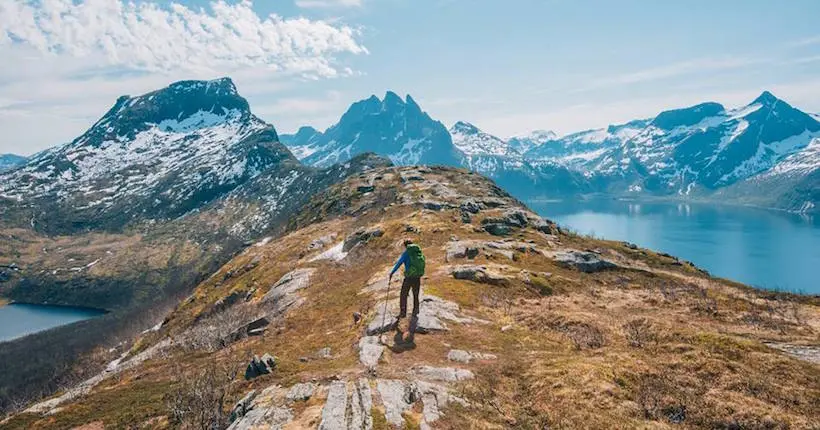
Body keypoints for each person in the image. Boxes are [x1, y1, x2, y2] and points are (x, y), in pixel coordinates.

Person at [388, 239, 426, 321]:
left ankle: (403, 313)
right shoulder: (417, 252)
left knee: (403, 294)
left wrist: (392, 273)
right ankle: (416, 310)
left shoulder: (406, 254)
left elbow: (399, 263)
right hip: (417, 277)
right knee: (416, 294)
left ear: (406, 246)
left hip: (409, 277)